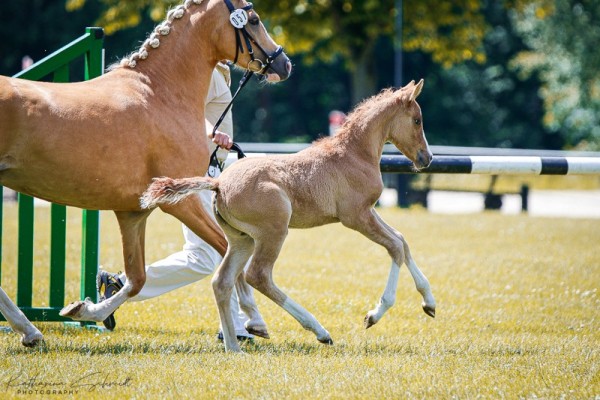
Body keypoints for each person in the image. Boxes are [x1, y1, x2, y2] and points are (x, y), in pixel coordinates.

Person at [97, 62, 254, 341]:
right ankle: (237, 326)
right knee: (213, 253)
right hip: (199, 173)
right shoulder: (211, 74)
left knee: (211, 254)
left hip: (207, 171)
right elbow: (189, 110)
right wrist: (210, 132)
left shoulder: (214, 72)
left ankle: (119, 285)